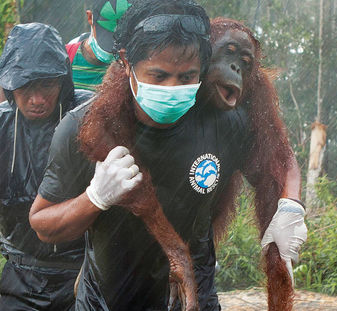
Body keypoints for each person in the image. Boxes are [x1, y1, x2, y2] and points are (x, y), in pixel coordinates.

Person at [30, 1, 306, 311]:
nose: (172, 88)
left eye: (186, 78)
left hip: (193, 295)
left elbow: (278, 157)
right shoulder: (89, 124)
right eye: (159, 77)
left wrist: (289, 206)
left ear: (201, 64)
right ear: (126, 65)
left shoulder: (229, 121)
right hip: (108, 299)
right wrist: (94, 198)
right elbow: (42, 223)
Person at [0, 23, 94, 310]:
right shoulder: (2, 127)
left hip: (84, 272)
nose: (37, 99)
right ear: (9, 85)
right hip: (20, 273)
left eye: (47, 85)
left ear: (63, 81)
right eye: (26, 86)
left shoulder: (89, 117)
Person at [65, 0, 131, 91]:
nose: (113, 50)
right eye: (108, 36)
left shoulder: (135, 66)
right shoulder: (65, 57)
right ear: (90, 18)